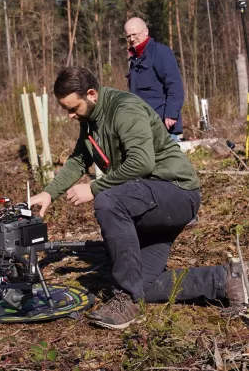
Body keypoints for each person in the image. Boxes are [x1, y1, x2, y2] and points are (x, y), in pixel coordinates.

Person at [29, 67, 247, 330]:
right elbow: (79, 159)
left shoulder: (124, 109)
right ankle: (226, 278)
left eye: (73, 108)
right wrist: (49, 193)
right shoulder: (90, 121)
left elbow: (141, 163)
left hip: (175, 192)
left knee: (108, 200)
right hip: (147, 201)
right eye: (66, 109)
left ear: (91, 94)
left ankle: (126, 302)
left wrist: (95, 187)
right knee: (142, 283)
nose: (70, 115)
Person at [124, 17, 185, 141]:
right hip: (144, 127)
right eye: (128, 36)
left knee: (168, 160)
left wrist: (171, 114)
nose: (131, 39)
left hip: (164, 126)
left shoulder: (161, 52)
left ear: (146, 31)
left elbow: (175, 86)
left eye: (134, 34)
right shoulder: (134, 60)